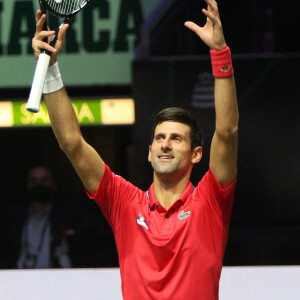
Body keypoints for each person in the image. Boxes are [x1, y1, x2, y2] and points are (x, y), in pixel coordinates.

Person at [32, 0, 238, 298]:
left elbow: (228, 131)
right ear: (149, 151)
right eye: (159, 138)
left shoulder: (211, 201)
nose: (165, 143)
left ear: (196, 154)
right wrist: (50, 69)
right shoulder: (125, 204)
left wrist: (220, 53)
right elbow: (72, 144)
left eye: (177, 138)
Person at [0, 166, 72, 268]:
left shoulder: (67, 216)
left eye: (44, 180)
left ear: (54, 184)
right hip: (16, 278)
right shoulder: (12, 217)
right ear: (27, 185)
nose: (38, 185)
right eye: (33, 181)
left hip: (55, 278)